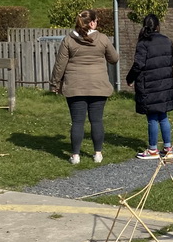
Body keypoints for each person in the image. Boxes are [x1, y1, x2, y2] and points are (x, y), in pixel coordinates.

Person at [49, 9, 120, 165]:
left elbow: (60, 65)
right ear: (93, 22)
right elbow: (114, 58)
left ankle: (75, 156)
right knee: (96, 121)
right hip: (98, 85)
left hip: (75, 86)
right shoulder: (102, 39)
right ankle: (98, 154)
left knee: (77, 122)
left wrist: (55, 84)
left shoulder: (68, 40)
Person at [125, 14, 173, 159]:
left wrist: (130, 78)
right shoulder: (167, 41)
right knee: (163, 117)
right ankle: (168, 148)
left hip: (149, 85)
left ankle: (153, 149)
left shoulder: (143, 43)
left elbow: (138, 64)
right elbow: (171, 60)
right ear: (158, 26)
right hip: (165, 84)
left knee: (152, 117)